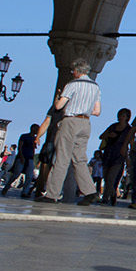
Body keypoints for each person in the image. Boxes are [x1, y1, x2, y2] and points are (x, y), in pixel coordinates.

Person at [38, 59, 102, 205]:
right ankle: (90, 191)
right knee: (80, 159)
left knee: (62, 157)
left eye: (73, 70)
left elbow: (60, 106)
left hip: (71, 121)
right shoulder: (95, 87)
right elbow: (97, 111)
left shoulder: (72, 84)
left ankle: (52, 194)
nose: (72, 73)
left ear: (77, 71)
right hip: (85, 123)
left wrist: (58, 98)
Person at [96, 108, 133, 205]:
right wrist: (109, 135)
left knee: (111, 178)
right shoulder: (113, 126)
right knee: (106, 177)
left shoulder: (129, 130)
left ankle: (106, 198)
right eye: (120, 115)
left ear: (127, 118)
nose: (120, 117)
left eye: (123, 116)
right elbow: (101, 136)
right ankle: (112, 194)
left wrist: (129, 158)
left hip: (119, 155)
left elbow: (131, 143)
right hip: (108, 154)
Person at [1, 123, 40, 196]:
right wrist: (21, 156)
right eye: (37, 129)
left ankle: (25, 192)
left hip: (30, 158)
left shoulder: (35, 138)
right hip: (22, 157)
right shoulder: (24, 136)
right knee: (16, 174)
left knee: (29, 176)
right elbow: (20, 146)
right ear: (32, 129)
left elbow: (34, 148)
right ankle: (7, 186)